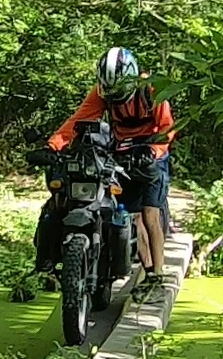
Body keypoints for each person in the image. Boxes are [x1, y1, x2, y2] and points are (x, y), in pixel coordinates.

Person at [46, 46, 174, 279]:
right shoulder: (101, 92)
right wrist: (53, 145)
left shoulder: (152, 89)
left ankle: (158, 273)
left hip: (152, 152)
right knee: (128, 213)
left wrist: (153, 151)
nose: (114, 95)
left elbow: (167, 127)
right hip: (121, 150)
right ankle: (137, 266)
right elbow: (79, 120)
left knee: (150, 213)